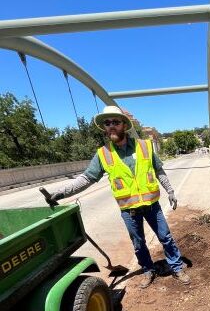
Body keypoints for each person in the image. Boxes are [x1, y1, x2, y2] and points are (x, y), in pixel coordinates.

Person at [47, 106, 190, 288]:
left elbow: (159, 170)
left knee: (166, 237)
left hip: (152, 205)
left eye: (115, 122)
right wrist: (62, 192)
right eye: (107, 123)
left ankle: (176, 267)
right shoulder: (103, 154)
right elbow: (86, 178)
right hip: (129, 210)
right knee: (138, 244)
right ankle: (148, 270)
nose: (111, 126)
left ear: (124, 125)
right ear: (104, 128)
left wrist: (170, 190)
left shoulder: (144, 146)